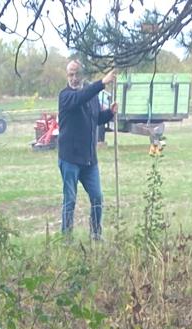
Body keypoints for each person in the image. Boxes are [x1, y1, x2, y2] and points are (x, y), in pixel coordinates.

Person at [57, 59, 117, 238]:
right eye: (70, 74)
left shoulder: (91, 97)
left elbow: (95, 118)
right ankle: (66, 238)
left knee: (97, 197)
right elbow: (79, 98)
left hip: (89, 160)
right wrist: (102, 83)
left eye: (77, 74)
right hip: (70, 159)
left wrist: (110, 113)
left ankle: (96, 235)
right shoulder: (66, 96)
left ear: (82, 75)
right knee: (70, 200)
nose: (74, 78)